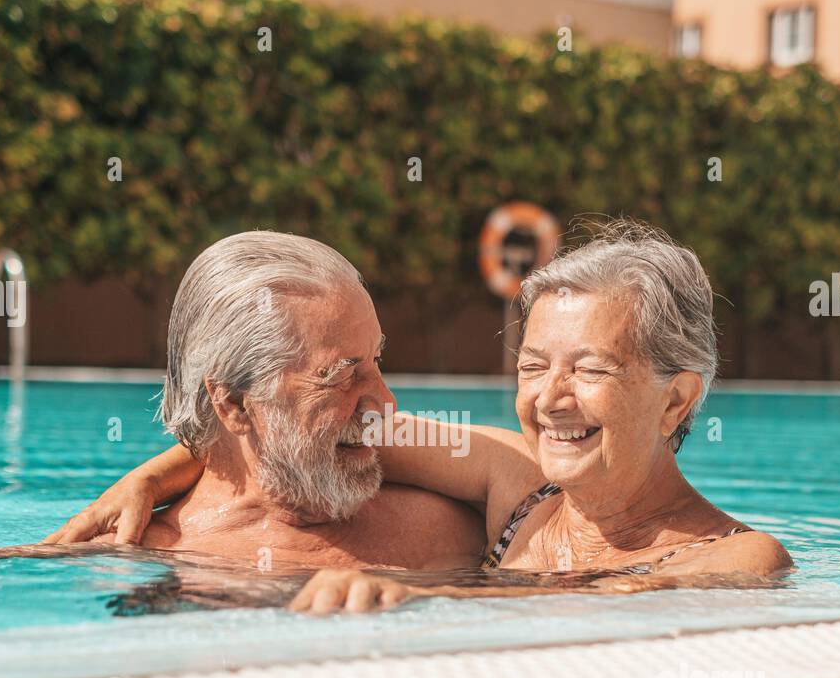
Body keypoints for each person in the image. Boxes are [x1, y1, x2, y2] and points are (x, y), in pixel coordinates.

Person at [53, 221, 792, 614]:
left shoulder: (740, 557)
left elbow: (609, 599)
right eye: (533, 366)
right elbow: (300, 435)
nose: (550, 398)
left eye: (590, 368)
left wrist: (420, 594)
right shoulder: (515, 482)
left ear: (677, 398)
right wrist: (151, 475)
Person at [0, 232, 484, 636]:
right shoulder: (145, 547)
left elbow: (582, 554)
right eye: (341, 376)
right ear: (233, 405)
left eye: (379, 362)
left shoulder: (444, 524)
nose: (383, 400)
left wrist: (432, 596)